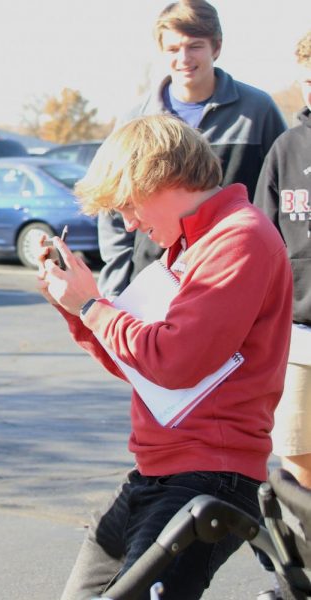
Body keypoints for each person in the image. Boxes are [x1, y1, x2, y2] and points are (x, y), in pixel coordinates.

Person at [38, 115, 293, 599]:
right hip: (161, 470)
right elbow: (138, 363)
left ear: (163, 178)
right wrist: (75, 308)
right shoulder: (191, 244)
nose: (129, 222)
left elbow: (175, 363)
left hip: (208, 472)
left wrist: (91, 307)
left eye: (129, 205)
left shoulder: (238, 238)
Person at [97, 0, 287, 298]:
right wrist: (115, 291)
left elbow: (281, 193)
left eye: (194, 46)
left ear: (217, 47)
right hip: (154, 279)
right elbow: (113, 212)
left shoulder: (258, 110)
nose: (184, 58)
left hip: (231, 275)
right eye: (173, 49)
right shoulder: (135, 120)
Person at [256, 30, 311, 488]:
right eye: (309, 80)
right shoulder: (286, 149)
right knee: (297, 451)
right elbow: (263, 240)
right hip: (296, 333)